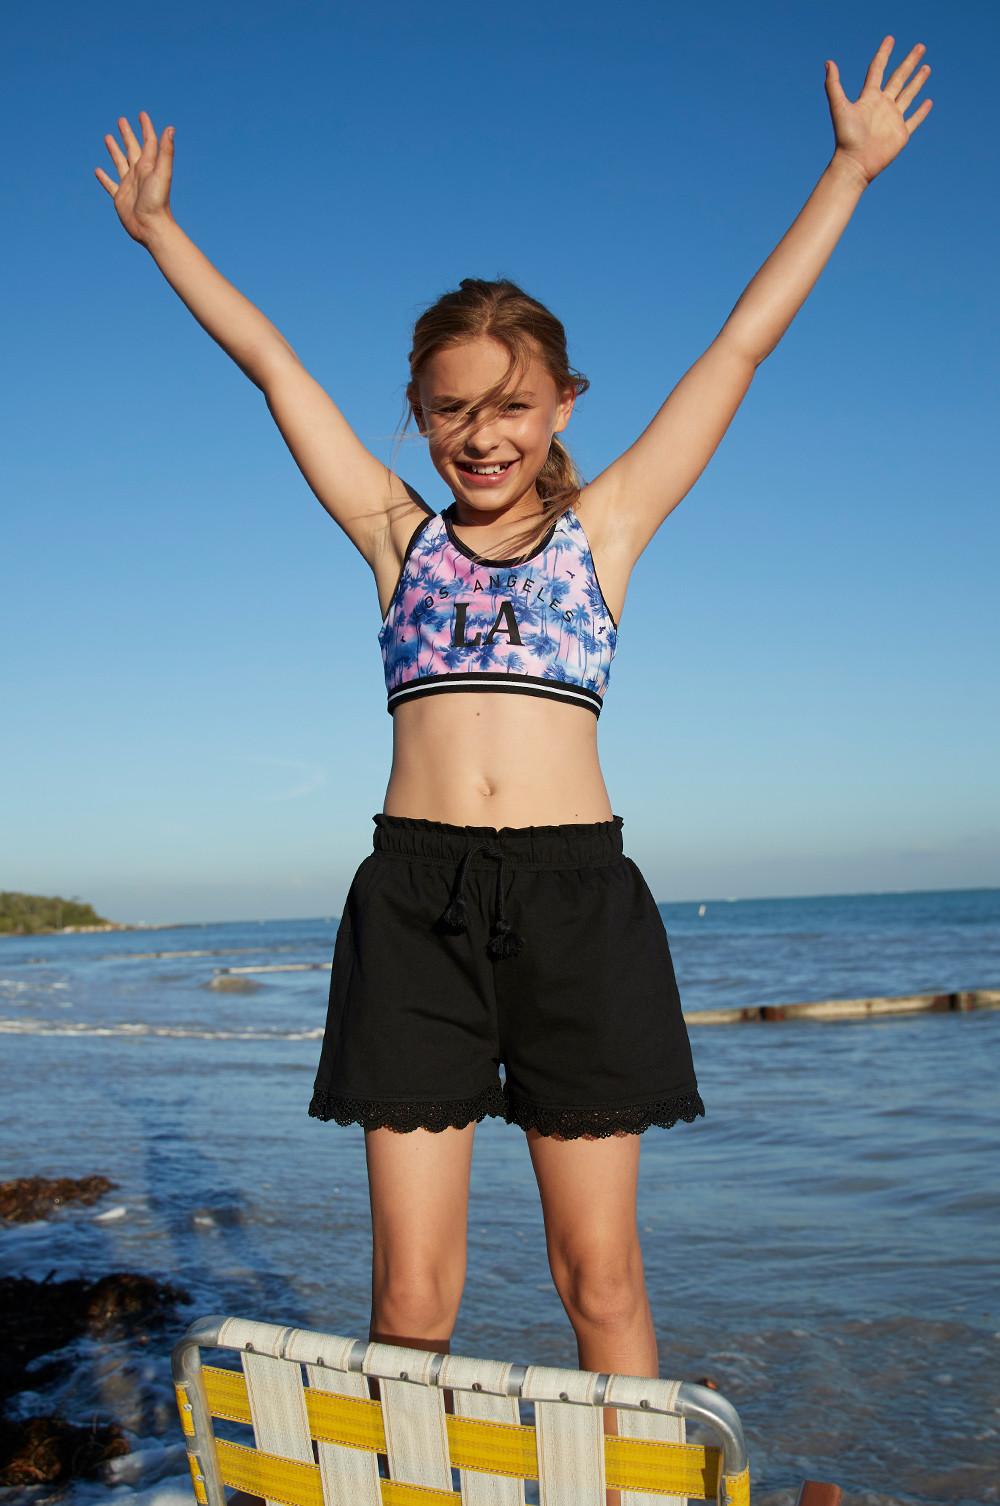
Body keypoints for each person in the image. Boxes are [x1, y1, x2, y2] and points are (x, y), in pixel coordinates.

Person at [95, 37, 932, 1505]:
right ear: (420, 413)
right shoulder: (396, 538)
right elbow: (274, 365)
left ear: (561, 407)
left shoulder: (606, 532)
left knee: (598, 1275)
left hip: (574, 905)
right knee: (412, 1297)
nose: (481, 435)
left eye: (512, 404)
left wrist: (849, 172)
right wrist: (165, 234)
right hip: (413, 907)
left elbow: (740, 345)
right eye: (450, 407)